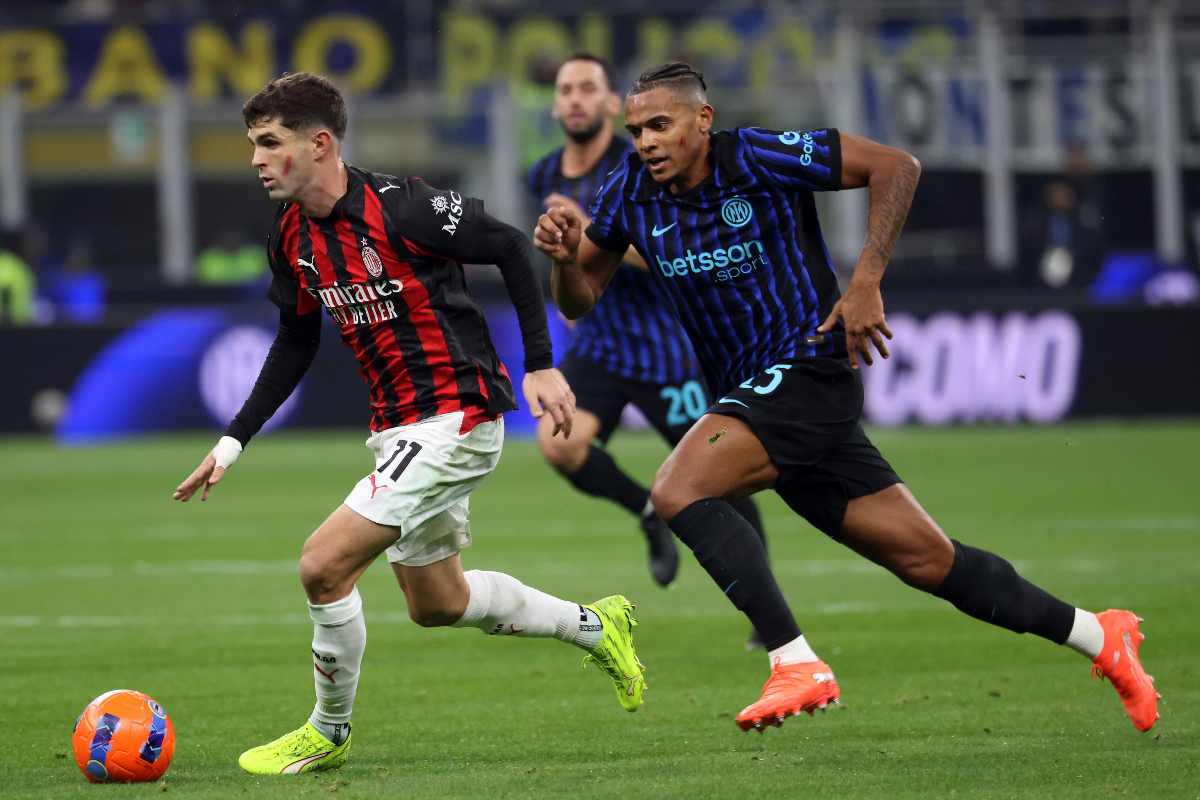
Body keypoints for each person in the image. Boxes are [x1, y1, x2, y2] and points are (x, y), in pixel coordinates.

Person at [534, 62, 1159, 734]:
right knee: (929, 561)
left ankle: (793, 660)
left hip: (808, 370)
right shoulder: (630, 187)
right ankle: (1100, 634)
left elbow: (897, 166)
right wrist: (567, 261)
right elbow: (579, 301)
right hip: (756, 395)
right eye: (636, 129)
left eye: (660, 124)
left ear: (702, 120)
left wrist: (866, 280)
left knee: (677, 490)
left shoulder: (755, 157)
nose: (646, 141)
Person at [174, 72, 646, 775]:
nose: (256, 159)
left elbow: (513, 247)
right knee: (438, 602)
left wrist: (542, 364)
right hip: (398, 427)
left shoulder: (403, 208)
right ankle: (594, 623)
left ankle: (327, 732)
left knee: (322, 565)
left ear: (321, 144)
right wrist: (231, 441)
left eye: (270, 143)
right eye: (253, 145)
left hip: (456, 415)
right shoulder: (293, 239)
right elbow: (296, 341)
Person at [529, 53, 769, 607]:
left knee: (723, 481)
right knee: (558, 443)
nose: (575, 99)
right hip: (601, 348)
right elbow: (560, 251)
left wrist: (593, 236)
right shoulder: (542, 174)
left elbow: (674, 248)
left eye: (588, 88)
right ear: (555, 104)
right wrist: (567, 280)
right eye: (566, 90)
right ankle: (646, 510)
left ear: (613, 104)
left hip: (668, 351)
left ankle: (763, 604)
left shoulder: (644, 160)